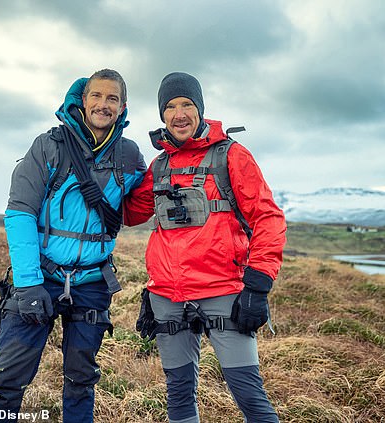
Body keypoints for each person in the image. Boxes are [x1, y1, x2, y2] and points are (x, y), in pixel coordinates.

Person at [0, 69, 146, 423]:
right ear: (82, 101)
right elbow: (20, 213)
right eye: (96, 96)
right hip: (40, 277)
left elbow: (141, 205)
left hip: (92, 283)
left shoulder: (130, 155)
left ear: (123, 107)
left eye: (112, 98)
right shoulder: (49, 145)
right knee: (7, 379)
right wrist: (27, 284)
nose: (103, 104)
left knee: (81, 379)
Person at [124, 72, 286, 423]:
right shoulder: (160, 165)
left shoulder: (232, 156)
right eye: (170, 107)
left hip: (224, 292)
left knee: (250, 396)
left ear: (200, 109)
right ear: (162, 115)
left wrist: (258, 285)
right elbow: (130, 212)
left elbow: (268, 218)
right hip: (167, 296)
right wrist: (106, 173)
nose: (179, 114)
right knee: (179, 396)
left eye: (186, 104)